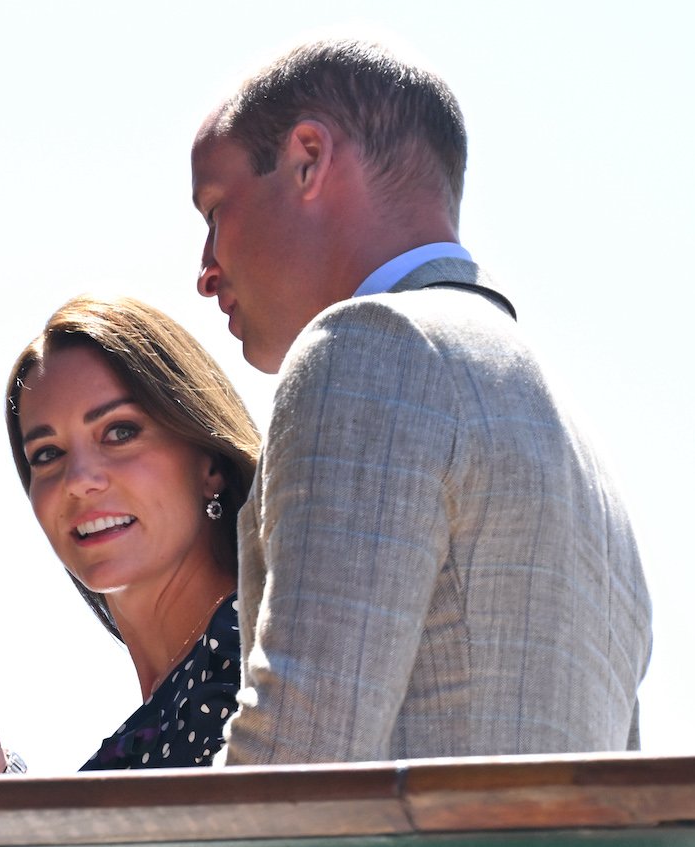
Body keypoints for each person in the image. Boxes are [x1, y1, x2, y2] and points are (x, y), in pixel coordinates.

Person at [190, 38, 653, 765]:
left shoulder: (370, 349)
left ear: (308, 157)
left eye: (215, 209)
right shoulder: (590, 469)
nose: (206, 269)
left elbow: (295, 760)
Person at [0, 295, 260, 773]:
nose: (78, 480)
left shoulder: (260, 667)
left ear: (209, 465)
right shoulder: (156, 721)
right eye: (47, 454)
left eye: (119, 432)